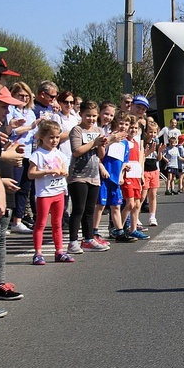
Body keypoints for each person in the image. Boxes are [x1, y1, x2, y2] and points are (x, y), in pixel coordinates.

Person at [0, 84, 24, 301]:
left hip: (4, 185)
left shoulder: (0, 127)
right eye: (3, 106)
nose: (6, 112)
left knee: (0, 237)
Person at [66, 100, 110, 254]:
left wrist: (102, 144)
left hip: (94, 175)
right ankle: (72, 241)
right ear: (81, 114)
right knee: (78, 209)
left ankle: (88, 238)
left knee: (89, 210)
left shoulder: (98, 130)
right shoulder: (77, 130)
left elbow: (101, 155)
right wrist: (94, 142)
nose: (91, 119)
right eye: (88, 116)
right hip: (78, 176)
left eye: (93, 116)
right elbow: (76, 151)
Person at [28, 120, 74, 264]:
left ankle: (59, 251)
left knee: (57, 223)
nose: (54, 141)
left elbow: (65, 170)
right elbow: (31, 174)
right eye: (51, 137)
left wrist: (63, 172)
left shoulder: (59, 153)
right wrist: (48, 171)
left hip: (59, 191)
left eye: (57, 137)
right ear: (42, 137)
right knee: (41, 223)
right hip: (44, 193)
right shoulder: (38, 154)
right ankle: (38, 253)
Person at [96, 111, 135, 244]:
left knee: (116, 206)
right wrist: (102, 169)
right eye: (121, 123)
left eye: (126, 124)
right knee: (100, 205)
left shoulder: (125, 143)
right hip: (104, 176)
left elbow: (124, 161)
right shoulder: (108, 137)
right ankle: (94, 231)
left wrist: (121, 175)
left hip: (115, 178)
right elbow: (99, 155)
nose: (123, 126)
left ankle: (119, 231)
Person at [6, 82, 38, 234]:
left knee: (25, 188)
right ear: (14, 95)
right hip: (15, 152)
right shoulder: (9, 110)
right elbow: (11, 131)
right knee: (13, 186)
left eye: (26, 96)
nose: (24, 98)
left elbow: (34, 133)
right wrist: (30, 127)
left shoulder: (30, 111)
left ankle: (17, 220)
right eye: (21, 96)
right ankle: (6, 220)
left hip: (29, 153)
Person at [120, 116, 148, 240]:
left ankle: (133, 229)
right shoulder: (123, 141)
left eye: (135, 128)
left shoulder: (136, 143)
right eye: (131, 127)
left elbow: (139, 159)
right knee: (130, 203)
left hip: (136, 174)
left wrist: (141, 174)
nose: (133, 130)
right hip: (127, 175)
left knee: (137, 204)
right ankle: (118, 228)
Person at [142, 121, 161, 227]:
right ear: (145, 132)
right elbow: (142, 157)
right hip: (145, 170)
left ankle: (152, 216)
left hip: (154, 170)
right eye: (150, 132)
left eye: (154, 132)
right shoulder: (143, 143)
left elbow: (158, 159)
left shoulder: (156, 143)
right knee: (142, 196)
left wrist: (160, 152)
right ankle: (136, 217)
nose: (152, 134)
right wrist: (149, 151)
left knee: (153, 195)